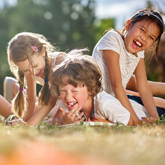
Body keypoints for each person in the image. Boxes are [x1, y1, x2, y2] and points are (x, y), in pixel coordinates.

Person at [92, 8, 165, 125]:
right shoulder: (112, 38)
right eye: (142, 30)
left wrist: (155, 118)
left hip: (115, 98)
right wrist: (137, 122)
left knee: (147, 112)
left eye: (151, 38)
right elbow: (117, 85)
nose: (144, 38)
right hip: (97, 97)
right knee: (129, 116)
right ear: (128, 25)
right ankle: (105, 120)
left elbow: (143, 86)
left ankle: (112, 120)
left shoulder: (138, 52)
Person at [50, 50, 161, 126]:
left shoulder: (105, 104)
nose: (68, 97)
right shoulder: (69, 102)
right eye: (63, 91)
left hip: (144, 112)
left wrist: (107, 123)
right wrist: (63, 122)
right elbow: (55, 120)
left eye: (74, 91)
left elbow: (131, 122)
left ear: (91, 90)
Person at [6, 32, 67, 126]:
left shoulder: (60, 62)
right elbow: (30, 99)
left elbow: (51, 100)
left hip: (70, 101)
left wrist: (28, 125)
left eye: (35, 65)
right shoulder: (30, 69)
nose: (33, 72)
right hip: (56, 104)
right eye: (26, 70)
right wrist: (24, 122)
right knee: (36, 109)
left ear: (42, 51)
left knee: (40, 112)